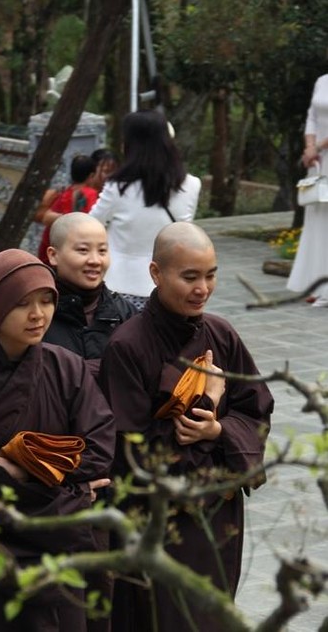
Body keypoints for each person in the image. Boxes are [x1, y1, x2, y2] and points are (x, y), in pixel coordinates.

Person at [98, 222, 273, 631]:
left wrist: (218, 431)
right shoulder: (127, 346)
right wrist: (206, 401)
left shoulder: (222, 335)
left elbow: (256, 409)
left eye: (210, 274)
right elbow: (128, 449)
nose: (203, 288)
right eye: (189, 276)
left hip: (216, 513)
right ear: (156, 274)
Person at [0, 249, 115, 631]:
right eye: (23, 304)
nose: (39, 315)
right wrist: (74, 492)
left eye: (47, 300)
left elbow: (99, 450)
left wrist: (21, 466)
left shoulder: (67, 367)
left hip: (60, 552)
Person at [90, 110, 201, 309]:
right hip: (168, 288)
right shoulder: (191, 185)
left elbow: (90, 226)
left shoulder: (117, 187)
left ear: (131, 145)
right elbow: (183, 234)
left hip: (118, 289)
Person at [43, 213, 137, 376]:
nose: (95, 260)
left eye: (102, 251)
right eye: (83, 250)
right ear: (53, 255)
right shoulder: (37, 312)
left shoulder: (125, 314)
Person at [289, 74, 328, 307]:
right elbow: (312, 117)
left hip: (322, 154)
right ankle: (318, 283)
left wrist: (319, 147)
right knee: (318, 221)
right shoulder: (322, 80)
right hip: (318, 162)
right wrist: (310, 146)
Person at [34, 154, 99, 265]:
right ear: (91, 176)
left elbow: (46, 218)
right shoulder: (90, 194)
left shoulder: (63, 194)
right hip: (67, 256)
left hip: (49, 253)